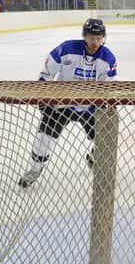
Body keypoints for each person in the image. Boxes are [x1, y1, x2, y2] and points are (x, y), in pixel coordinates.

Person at [18, 18, 118, 188]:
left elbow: (108, 88)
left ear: (103, 38)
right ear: (84, 36)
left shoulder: (108, 59)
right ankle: (35, 170)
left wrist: (105, 105)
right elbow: (46, 74)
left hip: (89, 107)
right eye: (91, 38)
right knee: (43, 139)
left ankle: (95, 156)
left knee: (106, 138)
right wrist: (43, 96)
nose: (95, 42)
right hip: (61, 104)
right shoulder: (66, 49)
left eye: (98, 38)